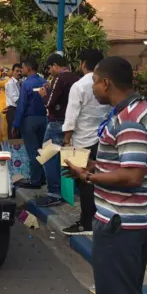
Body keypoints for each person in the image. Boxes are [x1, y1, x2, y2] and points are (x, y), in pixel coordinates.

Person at [63, 56, 147, 294]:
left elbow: (132, 176)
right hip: (129, 221)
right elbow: (124, 163)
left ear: (106, 83)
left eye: (94, 82)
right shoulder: (136, 111)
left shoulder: (130, 119)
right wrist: (94, 165)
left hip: (121, 224)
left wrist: (88, 177)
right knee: (120, 293)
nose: (92, 88)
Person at [61, 50, 110, 236]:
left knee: (85, 183)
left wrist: (66, 141)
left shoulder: (79, 85)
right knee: (100, 180)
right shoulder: (107, 83)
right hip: (103, 139)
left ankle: (87, 222)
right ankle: (97, 219)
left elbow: (71, 116)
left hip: (83, 141)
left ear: (83, 64)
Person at [35, 53, 80, 207]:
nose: (49, 72)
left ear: (55, 65)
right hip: (71, 124)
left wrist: (43, 95)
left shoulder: (59, 78)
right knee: (68, 159)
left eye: (49, 68)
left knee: (48, 156)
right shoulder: (76, 78)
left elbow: (50, 103)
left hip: (56, 123)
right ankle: (69, 192)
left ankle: (54, 192)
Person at [13, 58, 48, 189]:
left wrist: (16, 124)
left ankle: (35, 180)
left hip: (29, 121)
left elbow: (21, 106)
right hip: (43, 119)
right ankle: (42, 177)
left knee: (33, 151)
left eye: (23, 68)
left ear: (28, 68)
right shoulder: (44, 82)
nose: (21, 70)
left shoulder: (26, 84)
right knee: (41, 150)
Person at [5, 63, 22, 139]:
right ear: (12, 71)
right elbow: (15, 99)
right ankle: (12, 150)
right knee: (13, 134)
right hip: (12, 110)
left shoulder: (18, 82)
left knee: (17, 133)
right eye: (17, 71)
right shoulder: (11, 83)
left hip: (17, 110)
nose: (19, 73)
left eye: (20, 71)